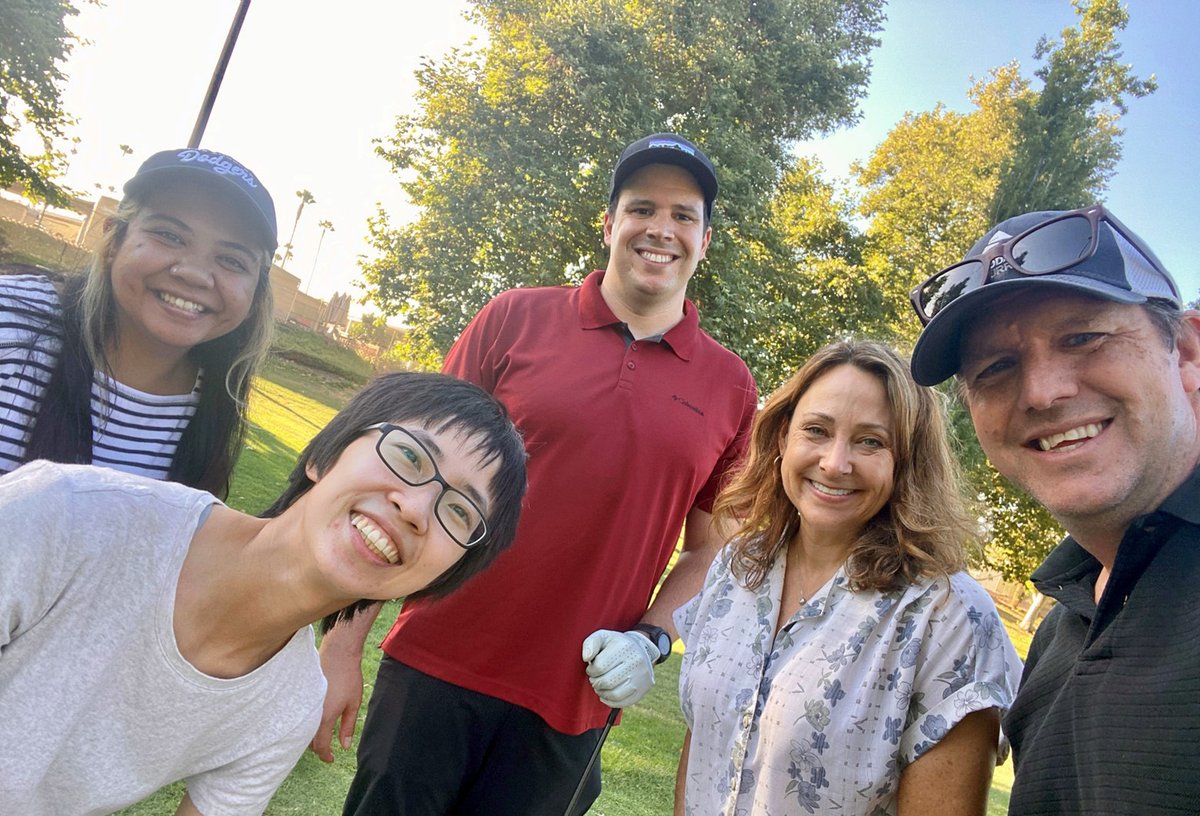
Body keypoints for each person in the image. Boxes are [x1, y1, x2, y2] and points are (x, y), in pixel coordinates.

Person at [316, 133, 758, 814]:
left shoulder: (731, 386)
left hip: (573, 701)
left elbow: (712, 548)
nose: (660, 230)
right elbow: (407, 483)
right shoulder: (513, 319)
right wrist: (345, 645)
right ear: (610, 224)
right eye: (642, 208)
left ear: (705, 241)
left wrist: (651, 640)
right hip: (437, 660)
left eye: (683, 216)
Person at [0, 371, 527, 816]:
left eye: (460, 512)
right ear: (325, 454)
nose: (416, 509)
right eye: (410, 457)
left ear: (436, 579)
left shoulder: (288, 711)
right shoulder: (69, 517)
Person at [908, 203, 1200, 815]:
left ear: (1188, 353)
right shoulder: (1059, 633)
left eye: (1083, 336)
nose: (1042, 392)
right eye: (996, 368)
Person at [673, 339, 1021, 815]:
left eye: (871, 441)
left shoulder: (947, 618)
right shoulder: (738, 565)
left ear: (907, 462)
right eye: (816, 430)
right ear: (783, 438)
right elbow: (704, 749)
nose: (835, 463)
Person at [0, 147, 278, 496]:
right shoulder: (9, 323)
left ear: (255, 297)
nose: (194, 274)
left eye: (232, 260)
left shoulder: (217, 399)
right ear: (114, 238)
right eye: (170, 235)